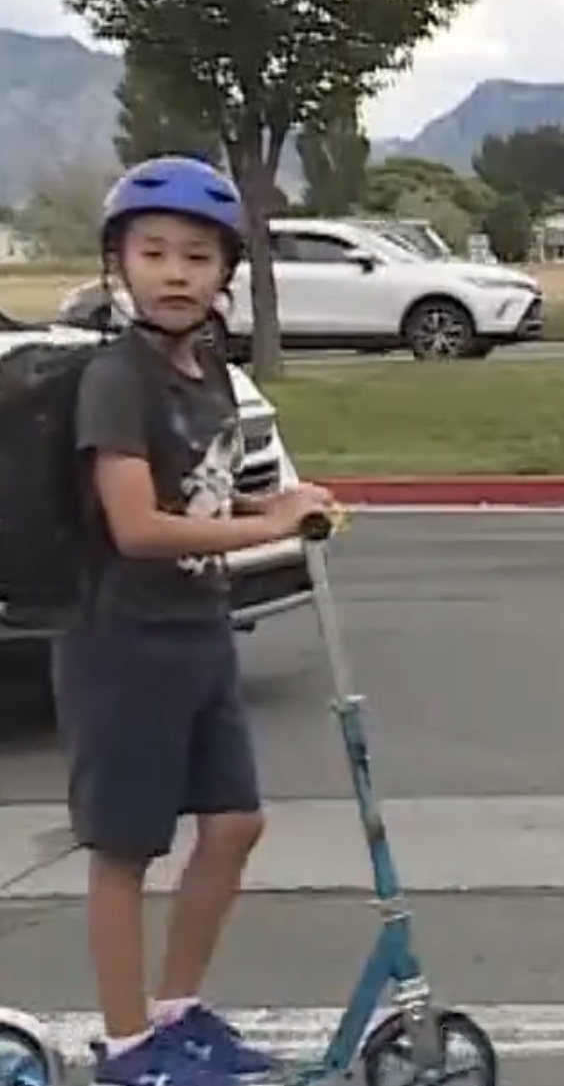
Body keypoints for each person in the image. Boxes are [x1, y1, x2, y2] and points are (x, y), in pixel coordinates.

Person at [62, 157, 334, 1086]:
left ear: (226, 272)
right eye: (153, 252)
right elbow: (135, 524)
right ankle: (130, 1045)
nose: (175, 272)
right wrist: (267, 526)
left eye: (197, 255)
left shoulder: (207, 370)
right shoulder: (117, 377)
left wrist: (297, 498)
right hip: (121, 638)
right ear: (119, 264)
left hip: (198, 625)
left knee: (232, 823)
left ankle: (178, 1013)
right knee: (126, 846)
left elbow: (237, 481)